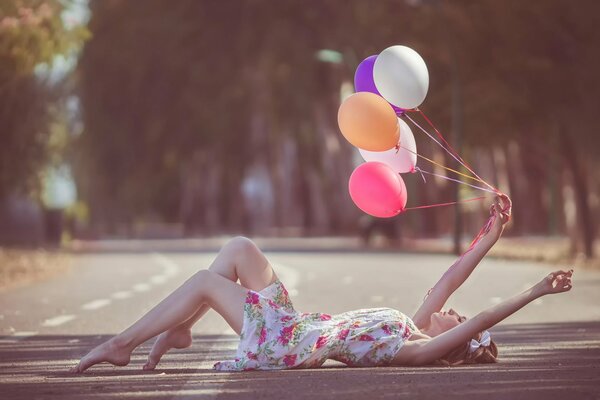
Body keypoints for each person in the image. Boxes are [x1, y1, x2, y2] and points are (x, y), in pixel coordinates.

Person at [70, 195, 573, 373]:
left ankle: (122, 344)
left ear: (454, 343)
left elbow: (482, 319)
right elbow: (449, 278)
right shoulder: (412, 326)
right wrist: (493, 232)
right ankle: (178, 331)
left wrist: (535, 291)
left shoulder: (415, 351)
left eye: (458, 324)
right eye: (457, 315)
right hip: (294, 326)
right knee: (240, 247)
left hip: (283, 347)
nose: (454, 313)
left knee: (205, 280)